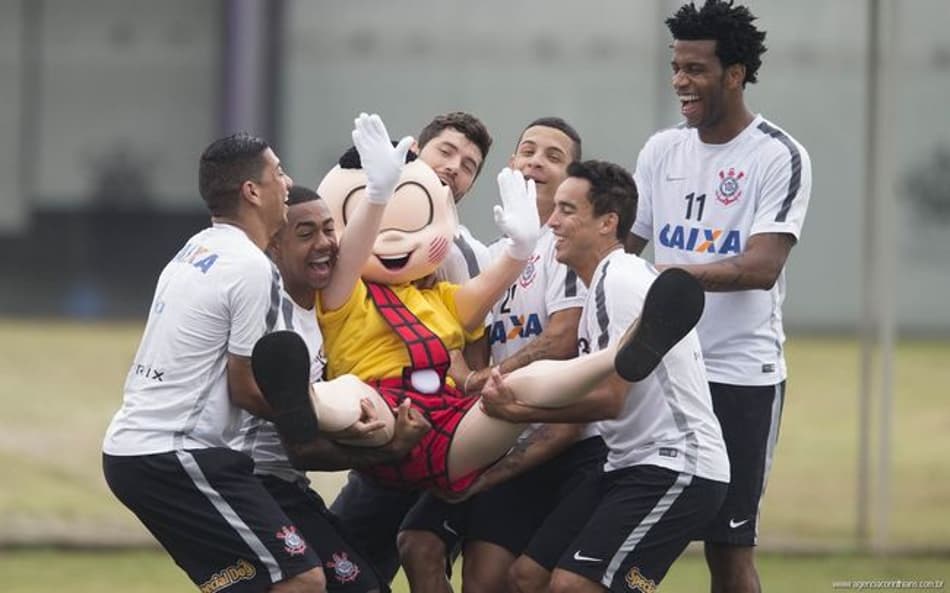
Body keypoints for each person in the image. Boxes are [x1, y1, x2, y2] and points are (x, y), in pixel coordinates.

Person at [251, 114, 702, 495]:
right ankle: (304, 398)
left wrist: (521, 247)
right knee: (353, 397)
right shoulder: (344, 294)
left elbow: (482, 294)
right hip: (386, 417)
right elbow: (352, 255)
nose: (394, 240)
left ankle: (620, 354)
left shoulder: (441, 290)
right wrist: (377, 195)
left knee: (518, 387)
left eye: (468, 164)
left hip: (449, 431)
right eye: (445, 154)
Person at [624, 2, 812, 592]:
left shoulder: (778, 155)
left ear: (735, 74)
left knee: (729, 550)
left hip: (740, 376)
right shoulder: (660, 151)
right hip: (664, 371)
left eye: (696, 69)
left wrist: (676, 278)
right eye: (676, 66)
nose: (680, 80)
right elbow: (624, 249)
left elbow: (762, 265)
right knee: (636, 536)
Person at [101, 133, 335, 592]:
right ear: (252, 191)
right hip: (175, 454)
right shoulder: (251, 267)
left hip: (142, 455)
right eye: (278, 173)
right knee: (303, 581)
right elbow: (245, 388)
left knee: (260, 584)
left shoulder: (193, 250)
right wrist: (321, 414)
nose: (287, 183)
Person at [485, 159, 730, 593]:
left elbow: (610, 400)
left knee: (574, 586)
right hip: (625, 464)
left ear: (607, 223)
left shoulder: (620, 280)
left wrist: (519, 410)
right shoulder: (601, 281)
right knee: (529, 576)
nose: (552, 222)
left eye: (567, 210)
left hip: (674, 466)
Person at [397, 117, 607, 593]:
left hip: (558, 439)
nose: (535, 161)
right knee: (422, 546)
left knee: (505, 579)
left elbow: (562, 339)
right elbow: (460, 342)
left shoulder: (566, 250)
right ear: (511, 166)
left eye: (553, 156)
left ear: (572, 178)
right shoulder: (492, 256)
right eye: (527, 151)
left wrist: (485, 380)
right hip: (497, 435)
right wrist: (464, 380)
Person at [231, 184, 432, 592]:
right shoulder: (275, 323)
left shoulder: (319, 314)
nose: (324, 244)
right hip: (258, 484)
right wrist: (392, 446)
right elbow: (302, 448)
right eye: (306, 234)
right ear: (273, 247)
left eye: (329, 230)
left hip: (289, 486)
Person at [328, 112, 496, 584]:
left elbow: (468, 349)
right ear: (416, 151)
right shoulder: (360, 216)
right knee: (347, 568)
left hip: (434, 429)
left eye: (469, 165)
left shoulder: (462, 253)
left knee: (418, 550)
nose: (454, 168)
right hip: (374, 418)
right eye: (446, 152)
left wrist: (463, 393)